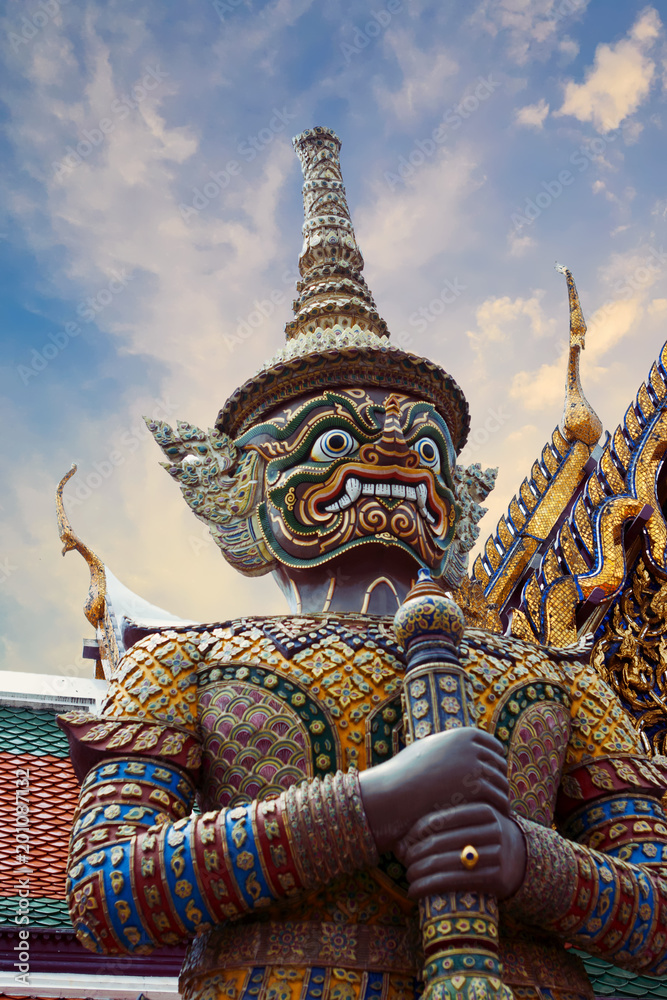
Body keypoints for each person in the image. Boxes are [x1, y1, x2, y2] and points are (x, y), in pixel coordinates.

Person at [60, 127, 667, 1000]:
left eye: (419, 439)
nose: (387, 447)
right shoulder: (180, 665)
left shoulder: (561, 681)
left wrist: (528, 860)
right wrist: (369, 804)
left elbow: (656, 916)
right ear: (243, 493)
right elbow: (108, 893)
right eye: (334, 436)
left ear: (458, 490)